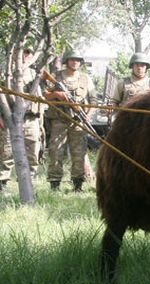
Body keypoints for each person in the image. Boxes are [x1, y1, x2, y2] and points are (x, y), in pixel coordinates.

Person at [43, 50, 98, 191]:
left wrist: (88, 114)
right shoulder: (56, 76)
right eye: (72, 59)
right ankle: (54, 184)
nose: (75, 62)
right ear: (66, 61)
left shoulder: (85, 78)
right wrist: (57, 94)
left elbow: (93, 100)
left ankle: (77, 185)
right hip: (59, 120)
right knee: (56, 151)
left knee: (79, 153)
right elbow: (45, 95)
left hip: (78, 121)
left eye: (78, 60)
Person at [0, 48, 45, 192]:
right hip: (10, 118)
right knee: (6, 152)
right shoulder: (6, 73)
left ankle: (27, 184)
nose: (25, 56)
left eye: (28, 53)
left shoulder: (36, 74)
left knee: (33, 152)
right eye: (23, 52)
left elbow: (43, 98)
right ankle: (2, 183)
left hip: (31, 119)